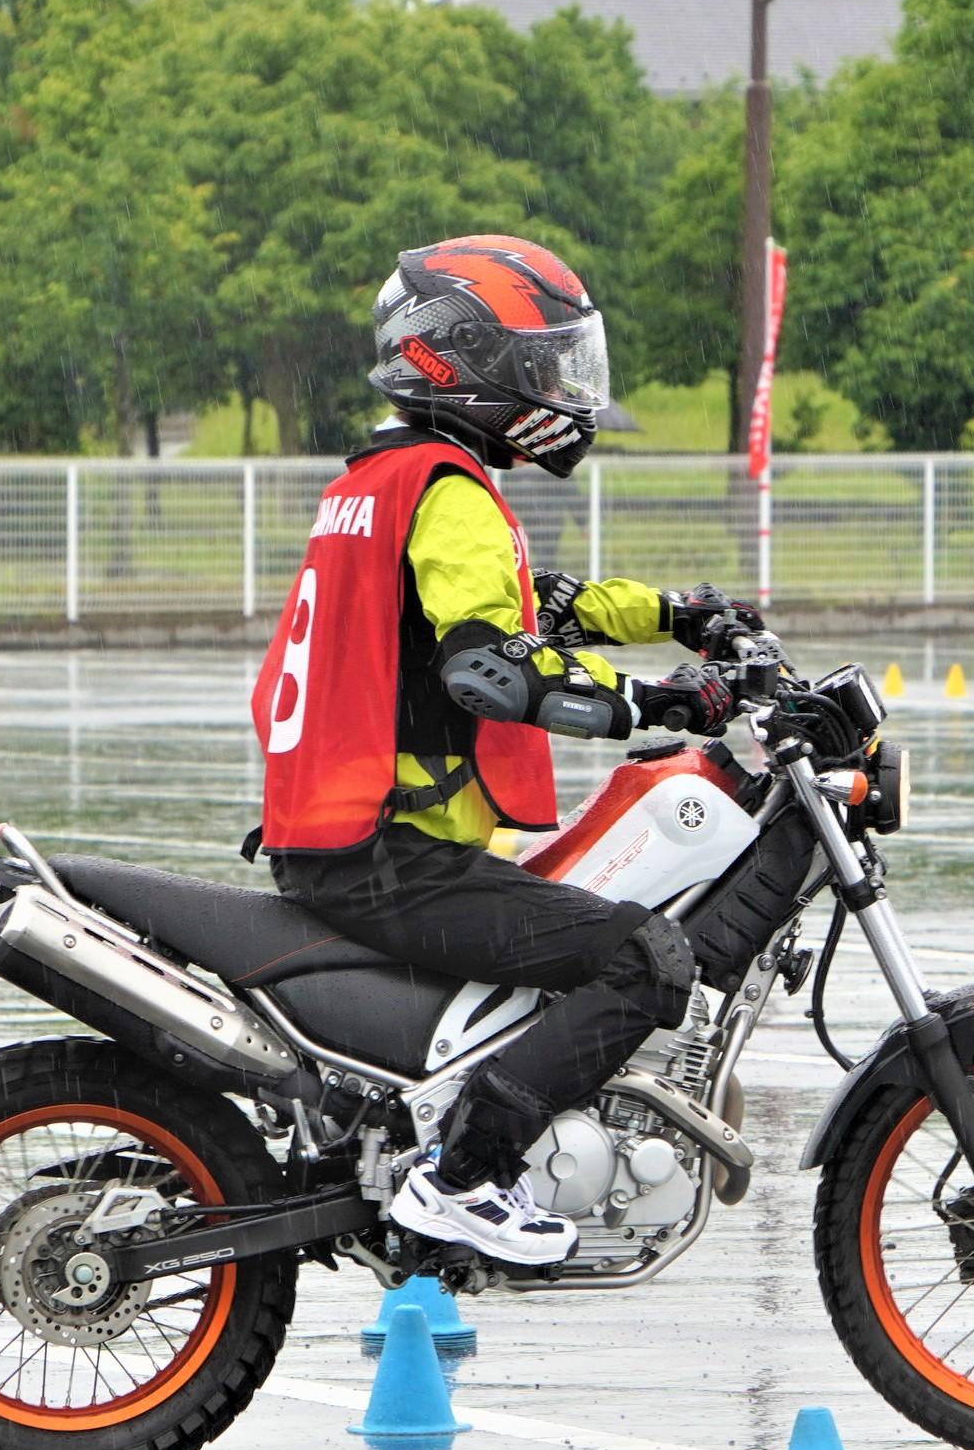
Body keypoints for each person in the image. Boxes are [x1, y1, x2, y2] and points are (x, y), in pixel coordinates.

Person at [248, 234, 754, 1266]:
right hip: (393, 855)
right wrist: (662, 701)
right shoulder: (447, 492)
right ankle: (465, 1174)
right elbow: (494, 668)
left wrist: (678, 611)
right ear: (465, 359)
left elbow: (533, 607)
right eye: (544, 364)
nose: (564, 390)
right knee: (646, 958)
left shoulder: (390, 479)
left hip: (344, 835)